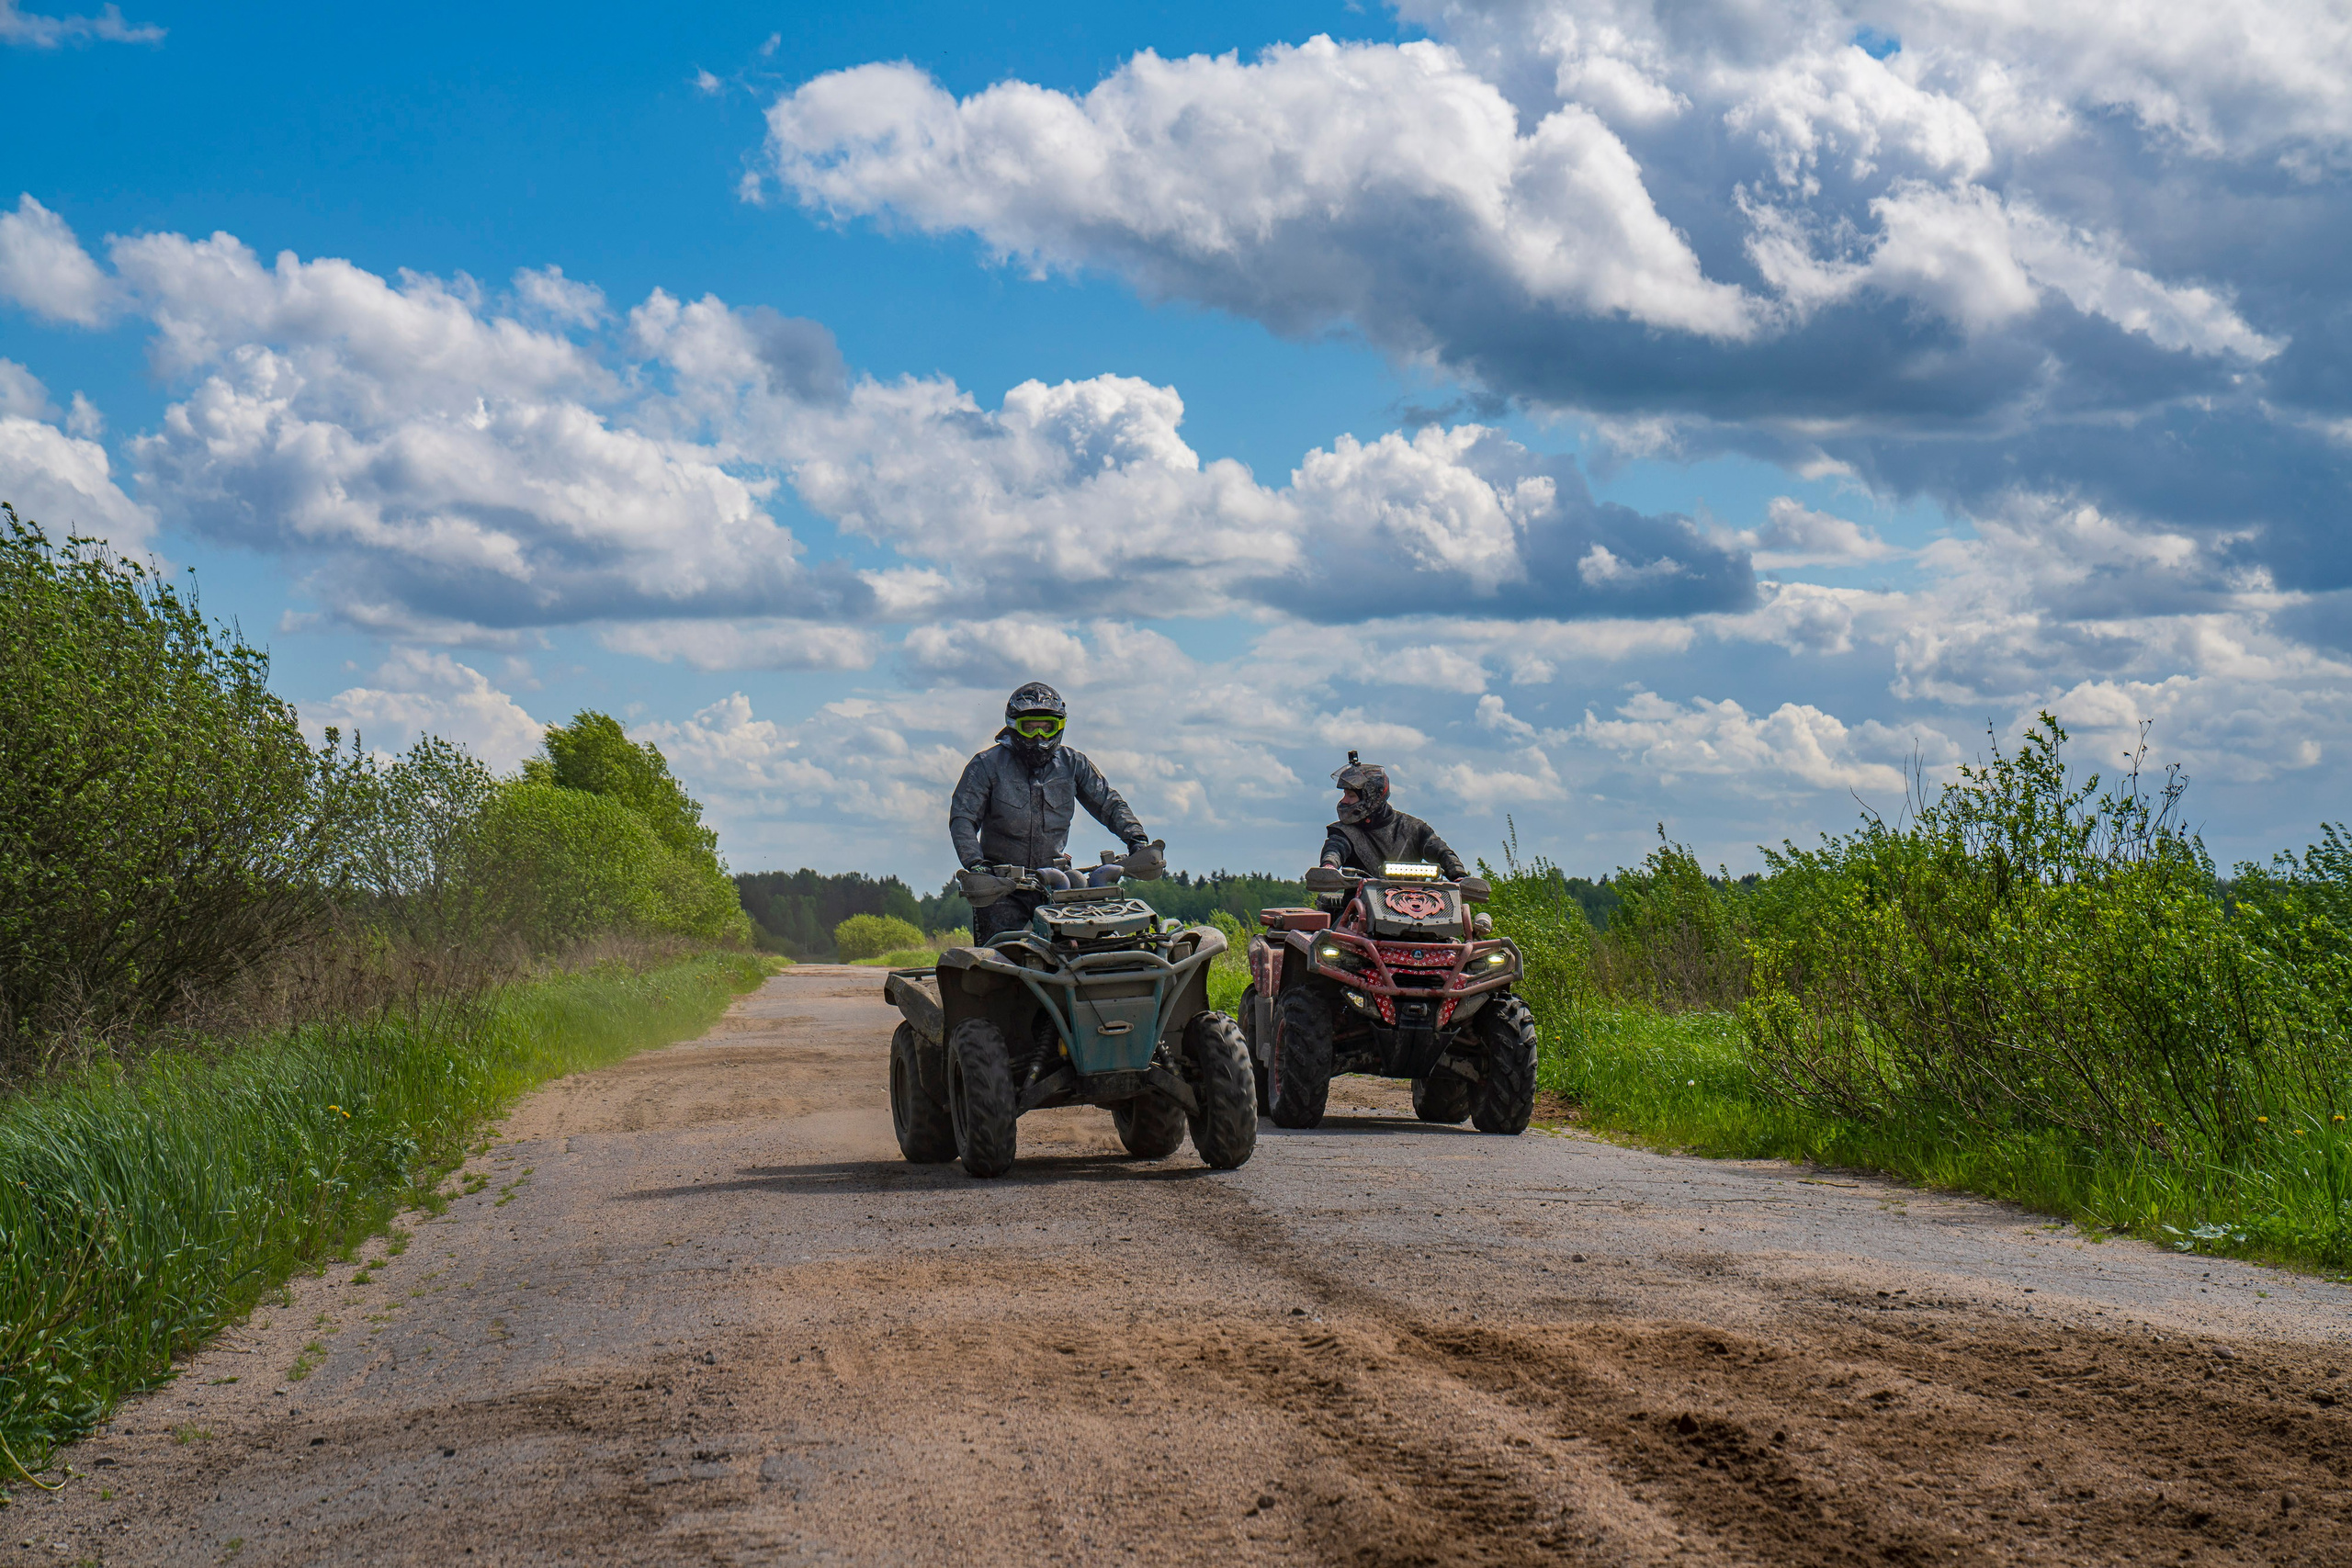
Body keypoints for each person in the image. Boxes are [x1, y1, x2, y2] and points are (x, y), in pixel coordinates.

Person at [950, 682, 1161, 942]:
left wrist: (1137, 839)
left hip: (1057, 883)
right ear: (1015, 725)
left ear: (1059, 726)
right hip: (1001, 886)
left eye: (1046, 726)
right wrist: (976, 864)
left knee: (1081, 948)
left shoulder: (1073, 764)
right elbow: (963, 818)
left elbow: (1109, 803)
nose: (1038, 736)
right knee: (1000, 958)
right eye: (1030, 727)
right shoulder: (985, 765)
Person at [1318, 754, 1466, 882]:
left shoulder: (1413, 828)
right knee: (1341, 915)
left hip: (1416, 904)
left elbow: (1440, 851)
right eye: (1345, 794)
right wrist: (1329, 866)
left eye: (1350, 796)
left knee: (1461, 913)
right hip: (1358, 905)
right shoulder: (1344, 832)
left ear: (1371, 798)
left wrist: (1459, 875)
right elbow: (1336, 848)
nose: (1344, 801)